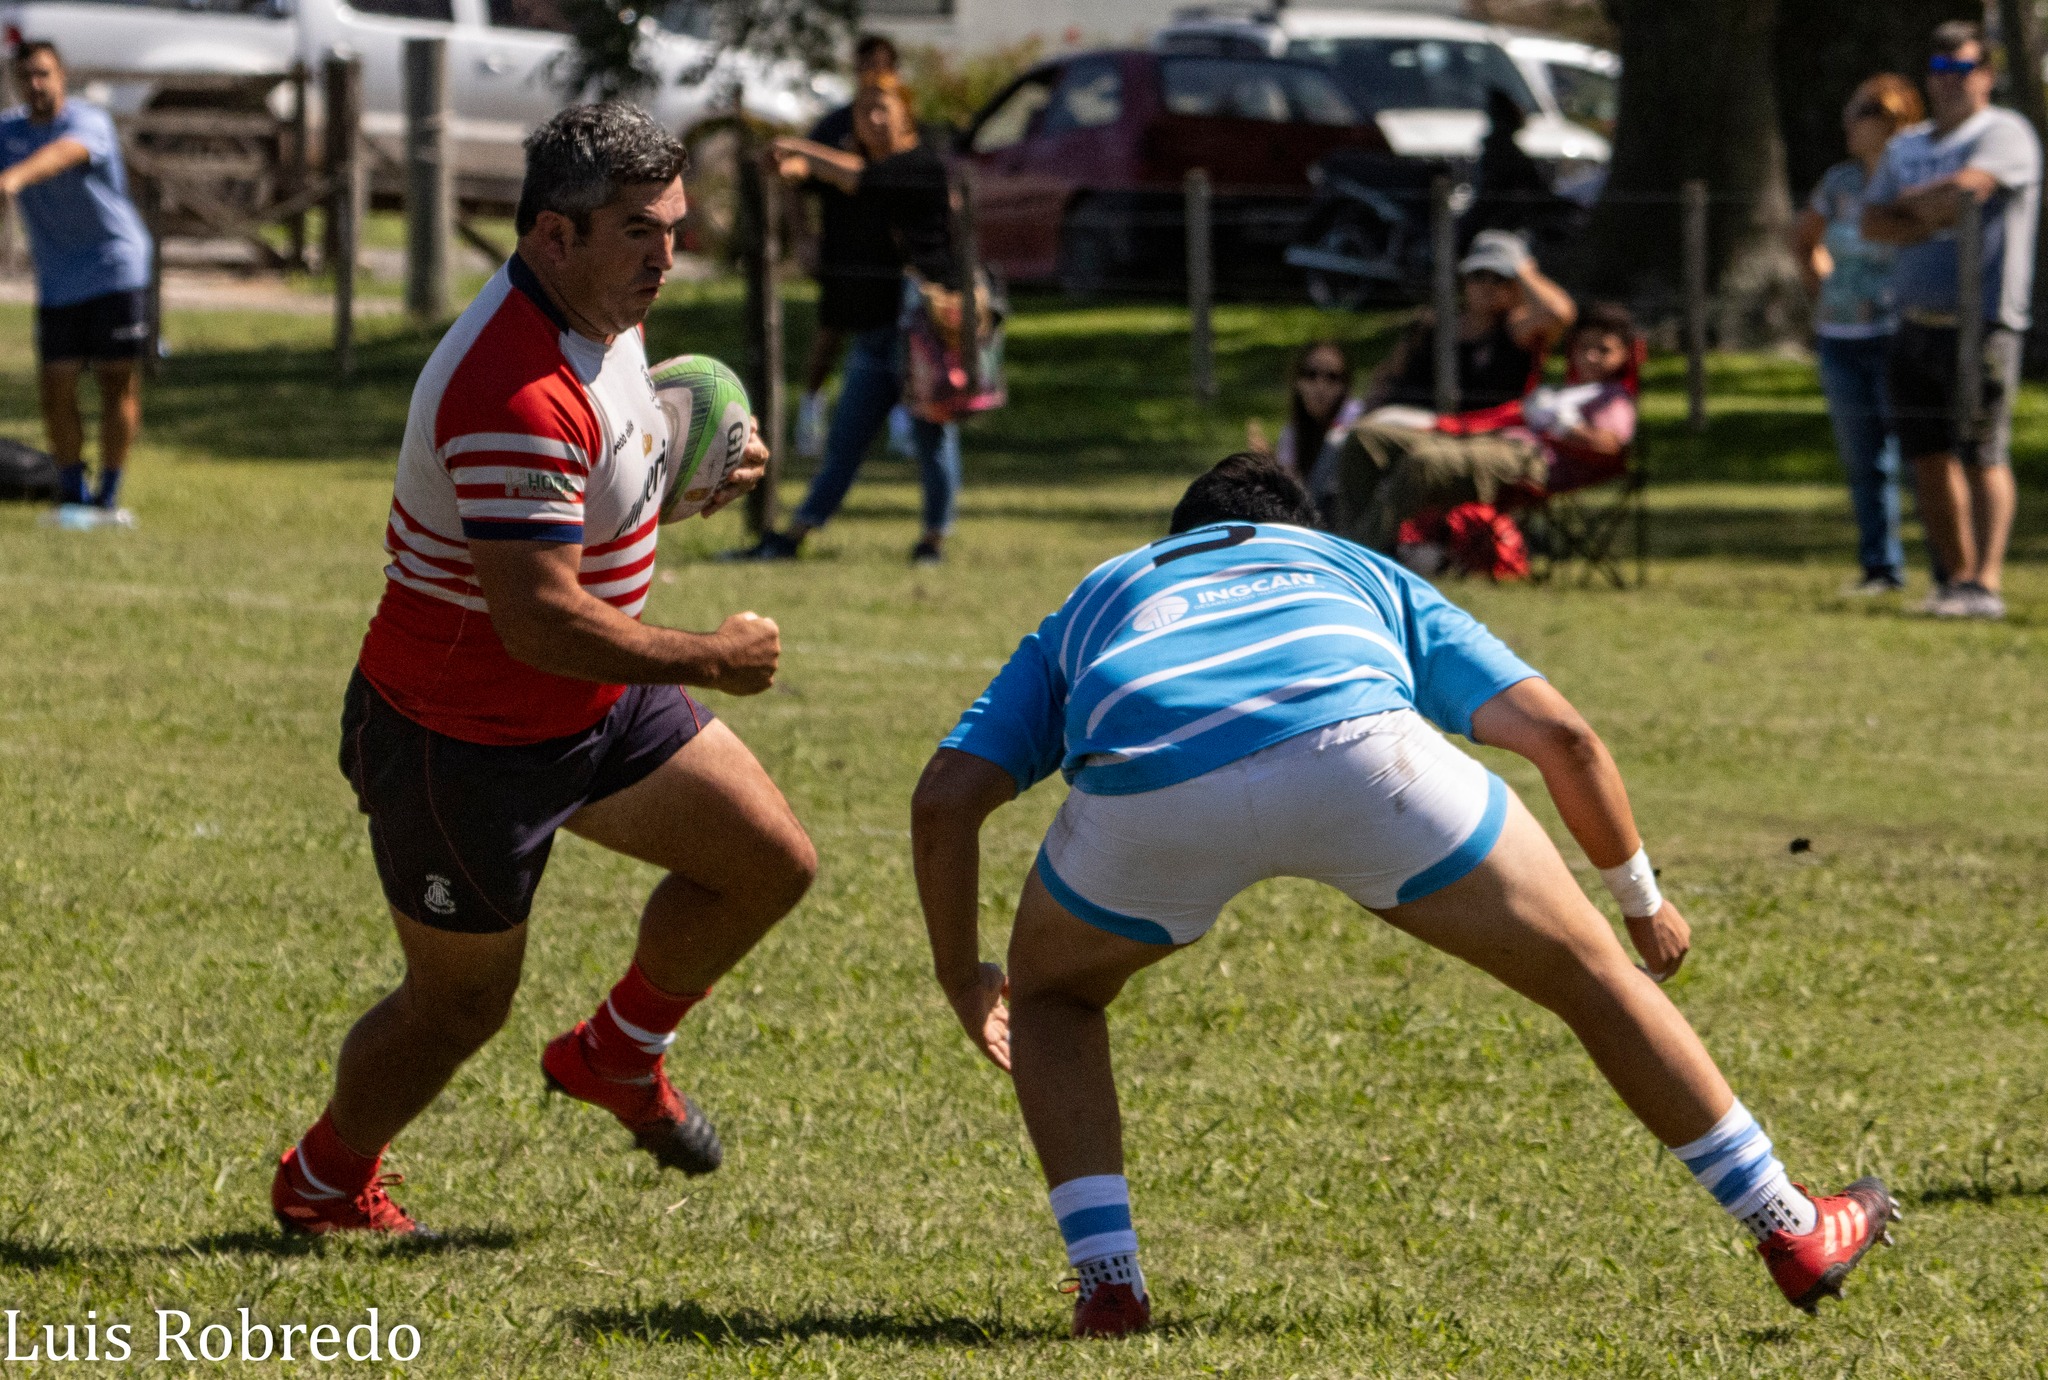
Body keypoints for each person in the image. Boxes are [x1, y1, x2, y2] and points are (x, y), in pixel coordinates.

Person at [910, 454, 1897, 1338]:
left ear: (1176, 540)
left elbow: (946, 796)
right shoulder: (1352, 568)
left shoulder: (1104, 590)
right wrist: (1636, 901)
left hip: (1152, 783)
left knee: (1054, 997)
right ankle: (1789, 1228)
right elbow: (1564, 740)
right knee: (1589, 973)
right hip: (1360, 755)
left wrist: (964, 975)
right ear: (1301, 529)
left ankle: (1109, 1285)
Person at [269, 104, 817, 1236]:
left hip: (591, 701)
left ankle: (618, 1053)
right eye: (637, 232)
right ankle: (324, 1178)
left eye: (672, 226)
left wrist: (689, 463)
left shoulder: (599, 311)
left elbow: (605, 465)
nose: (666, 256)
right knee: (457, 1005)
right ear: (551, 235)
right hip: (458, 738)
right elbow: (538, 620)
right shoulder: (508, 388)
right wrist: (710, 657)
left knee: (766, 862)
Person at [737, 74, 962, 566]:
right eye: (864, 110)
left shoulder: (920, 168)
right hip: (878, 332)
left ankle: (933, 541)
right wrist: (785, 171)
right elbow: (822, 179)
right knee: (844, 441)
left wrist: (798, 147)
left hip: (923, 331)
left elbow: (862, 178)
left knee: (932, 437)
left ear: (906, 113)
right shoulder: (855, 171)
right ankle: (792, 537)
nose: (874, 119)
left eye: (884, 108)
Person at [1862, 20, 2042, 620]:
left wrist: (1915, 209)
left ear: (1986, 76)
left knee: (1983, 448)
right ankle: (1957, 580)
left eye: (1963, 71)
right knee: (1927, 453)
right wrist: (1937, 213)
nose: (1950, 84)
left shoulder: (2005, 132)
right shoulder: (1907, 144)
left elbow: (1969, 189)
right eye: (1940, 72)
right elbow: (1870, 222)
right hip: (1913, 319)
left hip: (1984, 321)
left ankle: (1986, 583)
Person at [1337, 304, 1640, 553]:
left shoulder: (1613, 399)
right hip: (1487, 439)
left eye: (1604, 350)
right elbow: (1501, 417)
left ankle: (1360, 553)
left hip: (1529, 462)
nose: (1591, 356)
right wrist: (1435, 425)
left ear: (1625, 354)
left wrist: (1566, 426)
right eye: (1584, 347)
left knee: (1425, 461)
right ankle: (1354, 538)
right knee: (1367, 436)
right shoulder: (1560, 390)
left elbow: (1611, 447)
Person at [0, 40, 152, 519]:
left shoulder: (88, 122)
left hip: (115, 268)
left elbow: (64, 155)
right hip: (59, 279)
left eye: (45, 74)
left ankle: (108, 496)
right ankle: (72, 495)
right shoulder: (9, 132)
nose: (37, 85)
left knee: (115, 383)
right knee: (56, 386)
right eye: (27, 77)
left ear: (63, 77)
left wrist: (13, 179)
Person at [1794, 75, 1923, 595]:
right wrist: (1824, 290)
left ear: (1894, 119)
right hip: (1841, 335)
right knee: (1863, 459)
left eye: (1863, 113)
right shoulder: (1839, 182)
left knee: (1922, 457)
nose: (1850, 124)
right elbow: (1803, 239)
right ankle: (1880, 568)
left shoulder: (1911, 181)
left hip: (1899, 334)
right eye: (1849, 112)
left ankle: (1952, 572)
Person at [795, 33, 902, 459]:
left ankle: (901, 424)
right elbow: (798, 180)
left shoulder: (904, 128)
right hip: (844, 248)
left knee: (902, 338)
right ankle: (810, 413)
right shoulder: (834, 125)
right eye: (867, 65)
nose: (875, 74)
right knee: (831, 334)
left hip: (891, 254)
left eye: (883, 65)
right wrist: (804, 237)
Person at [1358, 229, 1575, 419]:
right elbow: (1387, 377)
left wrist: (1523, 269)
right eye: (1479, 275)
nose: (1487, 286)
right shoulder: (1432, 323)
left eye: (1500, 278)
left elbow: (1557, 312)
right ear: (1465, 279)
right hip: (1400, 419)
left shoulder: (1515, 330)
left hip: (1472, 432)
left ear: (1516, 287)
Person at [1246, 339, 1363, 525]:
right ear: (1298, 382)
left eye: (1332, 377)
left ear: (1345, 386)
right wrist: (1270, 466)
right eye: (1310, 375)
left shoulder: (1356, 423)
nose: (1320, 386)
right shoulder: (1293, 432)